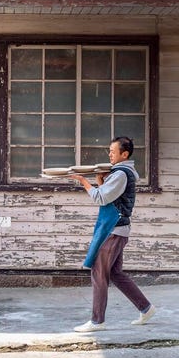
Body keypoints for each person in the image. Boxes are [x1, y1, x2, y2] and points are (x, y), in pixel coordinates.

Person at [69, 135, 155, 332]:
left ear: (124, 154)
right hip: (118, 229)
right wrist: (100, 182)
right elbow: (109, 196)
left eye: (113, 152)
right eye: (109, 151)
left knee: (98, 272)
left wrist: (84, 181)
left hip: (114, 230)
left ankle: (97, 321)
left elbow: (100, 198)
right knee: (115, 273)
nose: (110, 154)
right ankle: (146, 308)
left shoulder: (121, 174)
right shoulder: (120, 172)